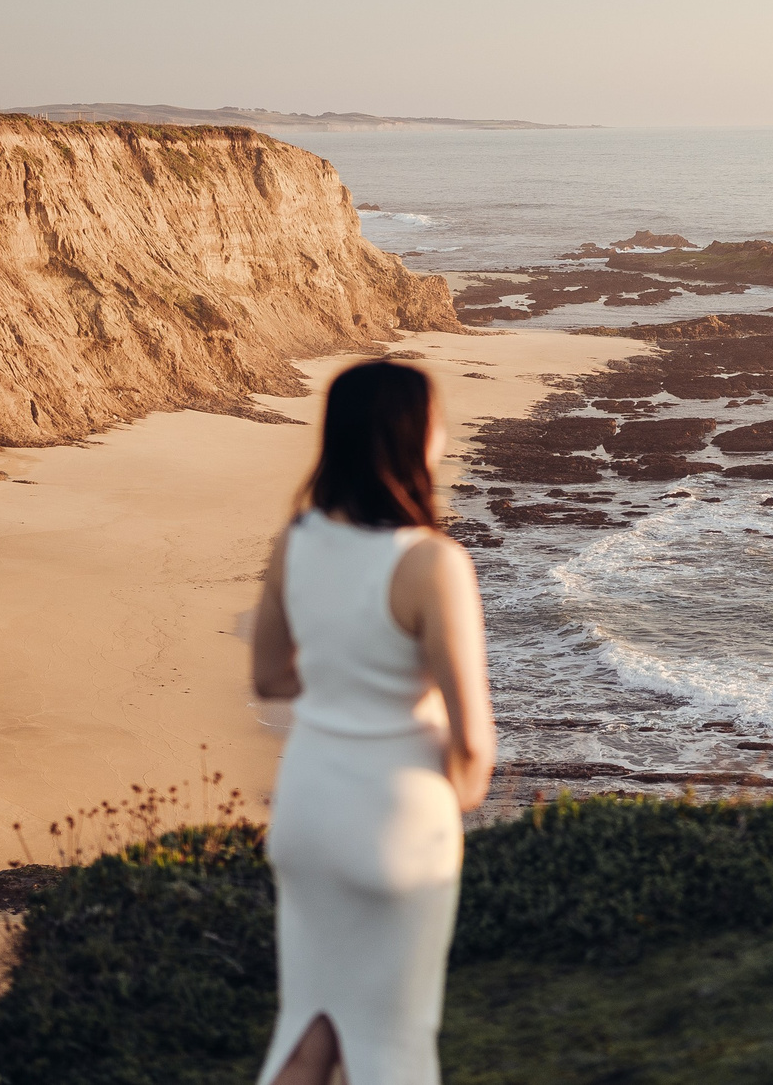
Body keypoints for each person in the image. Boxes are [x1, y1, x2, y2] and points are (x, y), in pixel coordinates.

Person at [251, 359, 496, 1085]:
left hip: (307, 806)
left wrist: (340, 678)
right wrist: (455, 800)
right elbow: (473, 740)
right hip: (396, 814)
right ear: (415, 436)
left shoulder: (297, 540)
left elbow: (268, 676)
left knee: (310, 1029)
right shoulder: (432, 563)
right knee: (390, 1047)